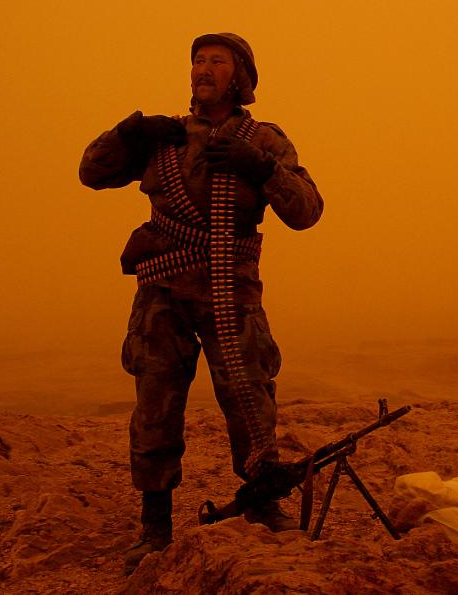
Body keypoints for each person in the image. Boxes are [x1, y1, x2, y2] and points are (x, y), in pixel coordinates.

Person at [78, 33, 323, 574]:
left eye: (217, 61)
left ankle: (262, 500)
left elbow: (307, 210)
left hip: (231, 291)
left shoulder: (263, 139)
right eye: (197, 60)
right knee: (155, 409)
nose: (202, 69)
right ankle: (155, 524)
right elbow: (91, 172)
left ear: (240, 77)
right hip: (162, 292)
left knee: (249, 400)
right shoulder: (162, 139)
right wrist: (130, 131)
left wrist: (259, 167)